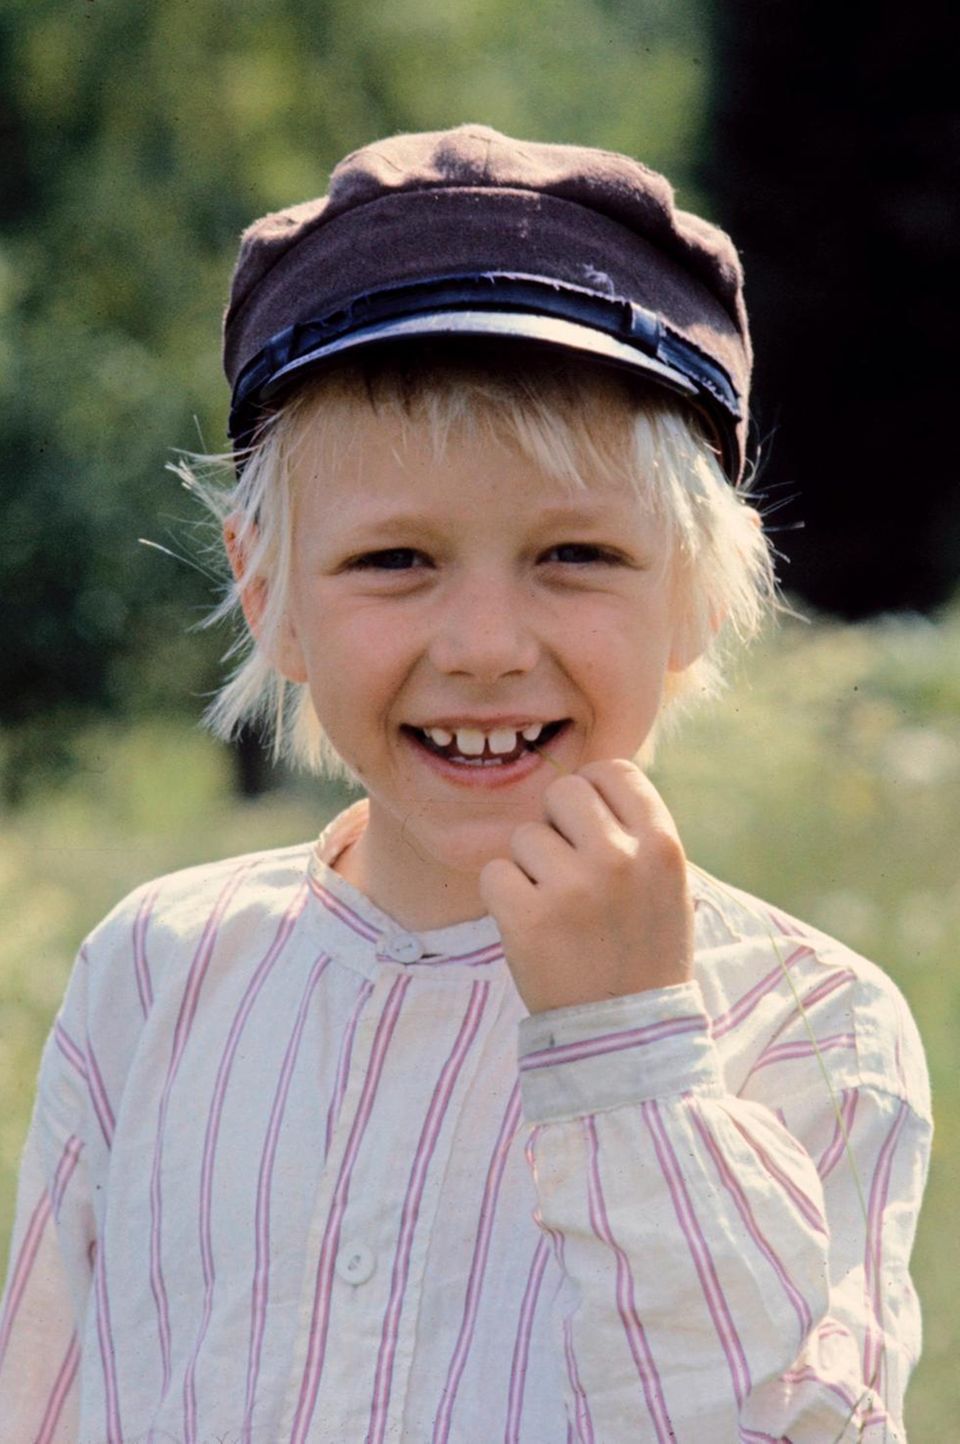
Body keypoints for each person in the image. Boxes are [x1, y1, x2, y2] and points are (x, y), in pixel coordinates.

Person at [0, 124, 930, 1443]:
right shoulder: (152, 975)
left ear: (700, 594)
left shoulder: (810, 1028)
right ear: (270, 594)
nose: (486, 648)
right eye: (394, 561)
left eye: (575, 554)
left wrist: (628, 1058)